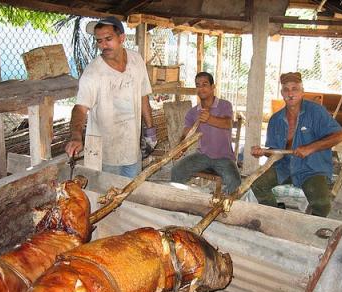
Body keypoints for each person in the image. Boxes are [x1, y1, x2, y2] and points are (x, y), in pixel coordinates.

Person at [65, 16, 156, 178]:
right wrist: (76, 136)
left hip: (132, 148)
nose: (103, 45)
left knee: (130, 194)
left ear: (121, 38)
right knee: (107, 196)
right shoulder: (93, 73)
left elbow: (143, 96)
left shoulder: (136, 60)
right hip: (105, 153)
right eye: (99, 41)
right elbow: (80, 108)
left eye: (108, 39)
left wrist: (150, 130)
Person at [251, 72, 342, 217]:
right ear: (282, 93)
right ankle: (277, 216)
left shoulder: (316, 111)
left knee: (322, 206)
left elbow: (340, 135)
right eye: (286, 89)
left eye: (294, 88)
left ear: (302, 92)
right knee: (257, 184)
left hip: (312, 167)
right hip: (285, 166)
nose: (290, 93)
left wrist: (310, 148)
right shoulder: (275, 119)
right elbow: (276, 152)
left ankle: (309, 228)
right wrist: (263, 152)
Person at [171, 72, 241, 195]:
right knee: (176, 171)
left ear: (213, 87)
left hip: (224, 157)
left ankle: (220, 205)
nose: (201, 88)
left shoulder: (225, 105)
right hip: (202, 156)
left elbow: (227, 123)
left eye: (205, 84)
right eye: (198, 85)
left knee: (235, 182)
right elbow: (186, 134)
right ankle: (181, 200)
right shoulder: (193, 112)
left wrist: (209, 118)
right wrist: (180, 148)